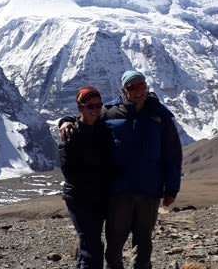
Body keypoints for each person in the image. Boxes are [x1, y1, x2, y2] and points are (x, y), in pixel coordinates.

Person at [61, 70, 183, 269]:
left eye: (141, 85)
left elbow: (173, 155)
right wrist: (64, 120)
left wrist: (172, 188)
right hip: (118, 191)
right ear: (124, 90)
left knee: (144, 243)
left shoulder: (160, 116)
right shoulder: (109, 113)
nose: (138, 90)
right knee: (115, 244)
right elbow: (85, 117)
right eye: (132, 87)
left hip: (150, 190)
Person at [59, 86, 115, 269]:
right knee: (92, 245)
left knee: (90, 244)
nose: (95, 109)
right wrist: (65, 122)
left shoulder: (103, 128)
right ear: (80, 107)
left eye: (99, 105)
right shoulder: (71, 133)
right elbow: (70, 171)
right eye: (90, 106)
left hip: (100, 196)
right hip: (80, 198)